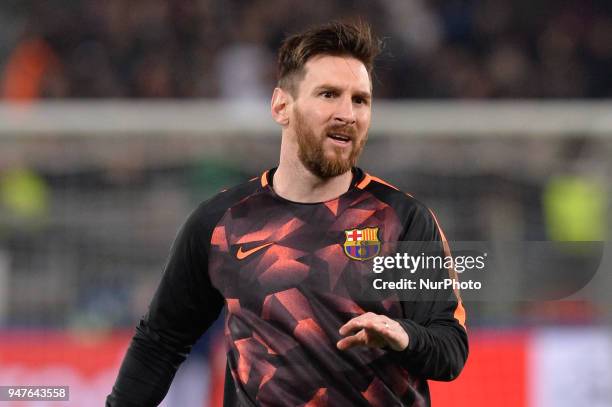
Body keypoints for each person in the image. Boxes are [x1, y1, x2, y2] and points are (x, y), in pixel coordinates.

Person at [107, 20, 468, 407]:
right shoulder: (221, 222)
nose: (348, 113)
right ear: (281, 106)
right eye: (329, 95)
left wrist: (403, 334)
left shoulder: (404, 219)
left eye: (360, 100)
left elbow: (450, 348)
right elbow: (160, 341)